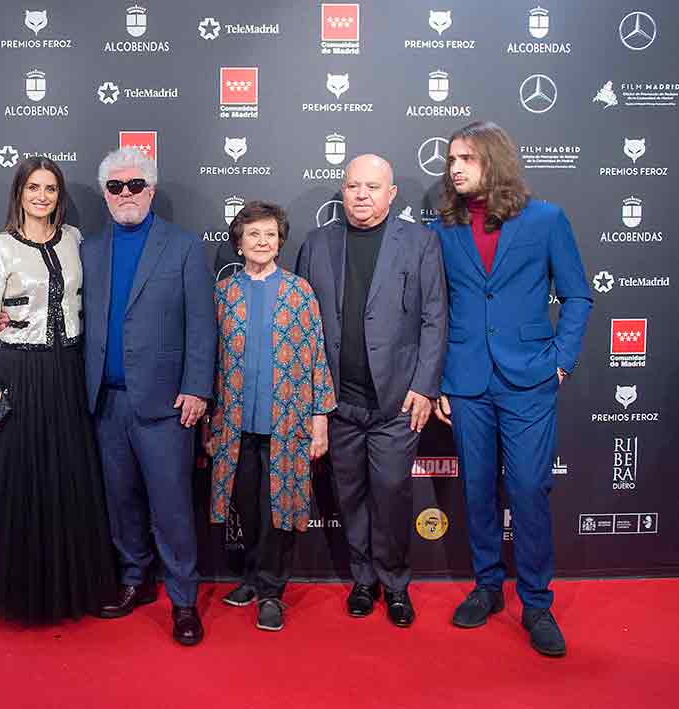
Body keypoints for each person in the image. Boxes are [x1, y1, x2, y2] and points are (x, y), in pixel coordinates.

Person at [431, 121, 592, 656]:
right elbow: (439, 310)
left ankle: (537, 602)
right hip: (467, 378)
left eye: (467, 159)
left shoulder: (546, 220)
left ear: (494, 162)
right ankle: (485, 587)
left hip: (529, 378)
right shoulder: (445, 227)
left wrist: (560, 362)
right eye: (452, 158)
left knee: (526, 488)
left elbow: (578, 296)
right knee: (477, 488)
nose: (455, 167)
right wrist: (441, 382)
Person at [0, 157, 117, 623]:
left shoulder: (75, 241)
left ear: (59, 196)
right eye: (33, 188)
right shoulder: (0, 247)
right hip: (17, 371)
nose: (42, 196)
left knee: (66, 478)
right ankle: (14, 587)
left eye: (50, 189)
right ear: (19, 193)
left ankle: (68, 585)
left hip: (67, 371)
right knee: (16, 479)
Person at [296, 154, 448, 627]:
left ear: (391, 193)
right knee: (350, 495)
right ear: (342, 191)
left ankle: (395, 584)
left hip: (396, 403)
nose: (361, 195)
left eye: (371, 187)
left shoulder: (420, 242)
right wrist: (314, 399)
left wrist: (424, 387)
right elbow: (302, 324)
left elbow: (434, 317)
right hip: (337, 401)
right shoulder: (317, 243)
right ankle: (363, 581)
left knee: (391, 494)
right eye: (352, 186)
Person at [83, 148, 216, 646]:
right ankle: (134, 580)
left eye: (135, 186)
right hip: (106, 401)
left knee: (173, 507)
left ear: (151, 189)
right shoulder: (89, 249)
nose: (125, 195)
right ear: (105, 193)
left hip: (166, 405)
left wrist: (197, 387)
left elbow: (202, 324)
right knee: (122, 503)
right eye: (116, 187)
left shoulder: (181, 246)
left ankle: (183, 601)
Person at [204, 201, 335, 632]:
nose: (262, 242)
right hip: (235, 424)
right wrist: (208, 420)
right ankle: (250, 578)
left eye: (270, 235)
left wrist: (320, 418)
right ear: (239, 243)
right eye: (253, 234)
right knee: (247, 504)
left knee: (281, 506)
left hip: (288, 424)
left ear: (280, 242)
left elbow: (316, 355)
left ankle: (272, 592)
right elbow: (211, 360)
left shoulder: (300, 292)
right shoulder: (224, 293)